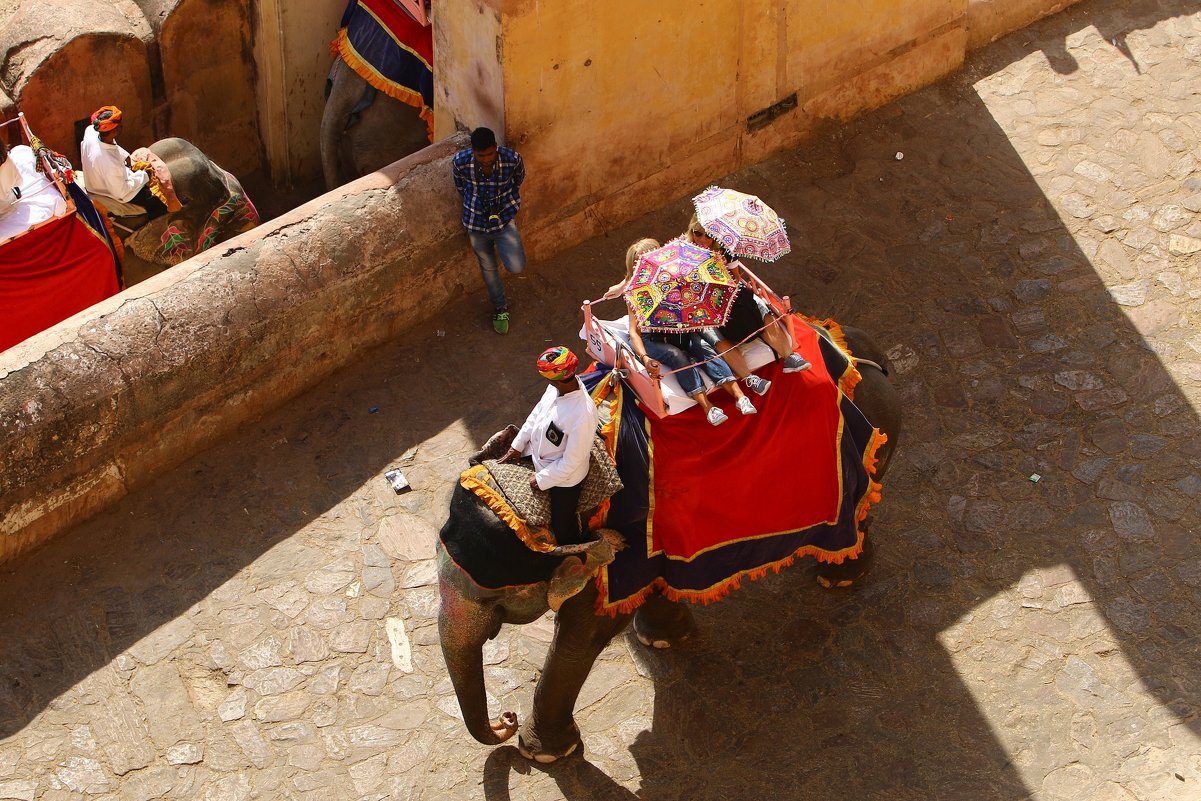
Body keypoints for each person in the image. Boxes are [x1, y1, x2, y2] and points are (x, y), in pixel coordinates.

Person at [685, 214, 811, 384]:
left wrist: (722, 277)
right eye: (697, 233)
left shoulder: (725, 249)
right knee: (718, 339)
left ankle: (789, 357)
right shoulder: (685, 252)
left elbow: (736, 278)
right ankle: (749, 378)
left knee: (761, 312)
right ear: (691, 231)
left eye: (708, 235)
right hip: (704, 302)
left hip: (730, 294)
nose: (703, 239)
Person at [498, 346, 598, 546]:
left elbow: (572, 461)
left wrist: (542, 479)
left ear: (557, 378)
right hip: (538, 456)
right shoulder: (554, 388)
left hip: (564, 479)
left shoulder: (583, 414)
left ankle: (572, 552)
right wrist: (517, 445)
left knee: (561, 526)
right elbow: (536, 415)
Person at [452, 127, 527, 334]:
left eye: (489, 154)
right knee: (489, 269)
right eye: (480, 155)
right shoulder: (460, 161)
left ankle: (504, 245)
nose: (486, 159)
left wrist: (504, 202)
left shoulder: (512, 159)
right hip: (475, 223)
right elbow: (460, 187)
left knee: (517, 266)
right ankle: (500, 308)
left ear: (496, 147)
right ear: (473, 152)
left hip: (503, 219)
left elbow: (518, 180)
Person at [79, 106, 167, 220]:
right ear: (115, 131)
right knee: (159, 204)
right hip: (112, 191)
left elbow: (111, 147)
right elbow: (122, 192)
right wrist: (144, 175)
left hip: (97, 179)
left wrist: (125, 156)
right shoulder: (110, 164)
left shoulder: (91, 131)